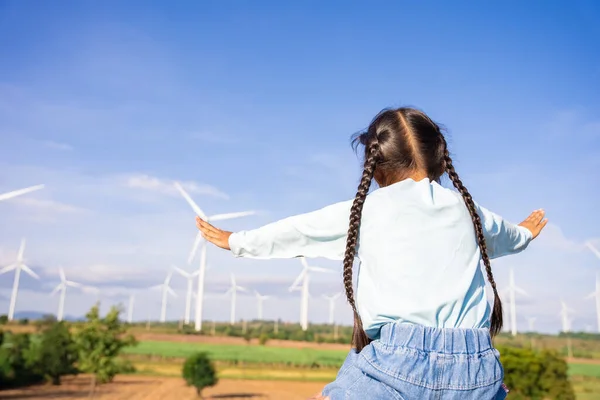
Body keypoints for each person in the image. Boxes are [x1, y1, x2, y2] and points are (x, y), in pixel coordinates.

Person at [195, 107, 547, 399]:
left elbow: (299, 231)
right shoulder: (468, 209)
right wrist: (526, 234)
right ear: (440, 159)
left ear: (375, 165)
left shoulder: (367, 209)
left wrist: (236, 241)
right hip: (477, 369)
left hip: (398, 364)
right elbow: (506, 235)